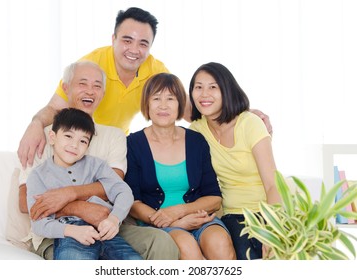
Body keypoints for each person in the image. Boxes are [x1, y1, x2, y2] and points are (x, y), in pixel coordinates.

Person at [17, 6, 272, 170]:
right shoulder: (92, 65)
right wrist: (35, 124)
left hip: (114, 145)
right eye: (127, 40)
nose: (134, 50)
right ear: (113, 39)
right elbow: (55, 107)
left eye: (143, 43)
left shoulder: (156, 69)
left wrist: (242, 114)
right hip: (78, 140)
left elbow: (190, 109)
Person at [19, 60, 180, 260]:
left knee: (161, 242)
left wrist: (69, 194)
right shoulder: (43, 136)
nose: (90, 91)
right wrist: (79, 208)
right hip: (59, 232)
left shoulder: (113, 138)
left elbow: (116, 186)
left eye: (97, 86)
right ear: (66, 88)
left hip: (107, 224)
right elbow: (26, 203)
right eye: (82, 83)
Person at [124, 73, 236, 260]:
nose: (163, 105)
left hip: (198, 218)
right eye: (156, 98)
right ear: (147, 104)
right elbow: (133, 204)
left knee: (219, 244)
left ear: (180, 104)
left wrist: (181, 212)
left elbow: (214, 198)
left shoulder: (196, 141)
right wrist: (175, 221)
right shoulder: (133, 144)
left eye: (171, 98)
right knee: (187, 247)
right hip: (158, 224)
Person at [188, 62, 281, 260]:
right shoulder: (196, 130)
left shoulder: (250, 123)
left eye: (213, 87)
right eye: (198, 87)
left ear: (227, 90)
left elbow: (273, 184)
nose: (204, 94)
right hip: (234, 214)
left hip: (269, 209)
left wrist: (272, 229)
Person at [26, 108, 142, 260]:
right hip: (70, 233)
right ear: (52, 137)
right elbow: (38, 223)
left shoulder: (96, 165)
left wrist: (114, 219)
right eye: (68, 136)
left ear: (88, 146)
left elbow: (123, 191)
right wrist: (72, 231)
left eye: (83, 141)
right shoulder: (38, 175)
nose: (75, 145)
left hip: (104, 230)